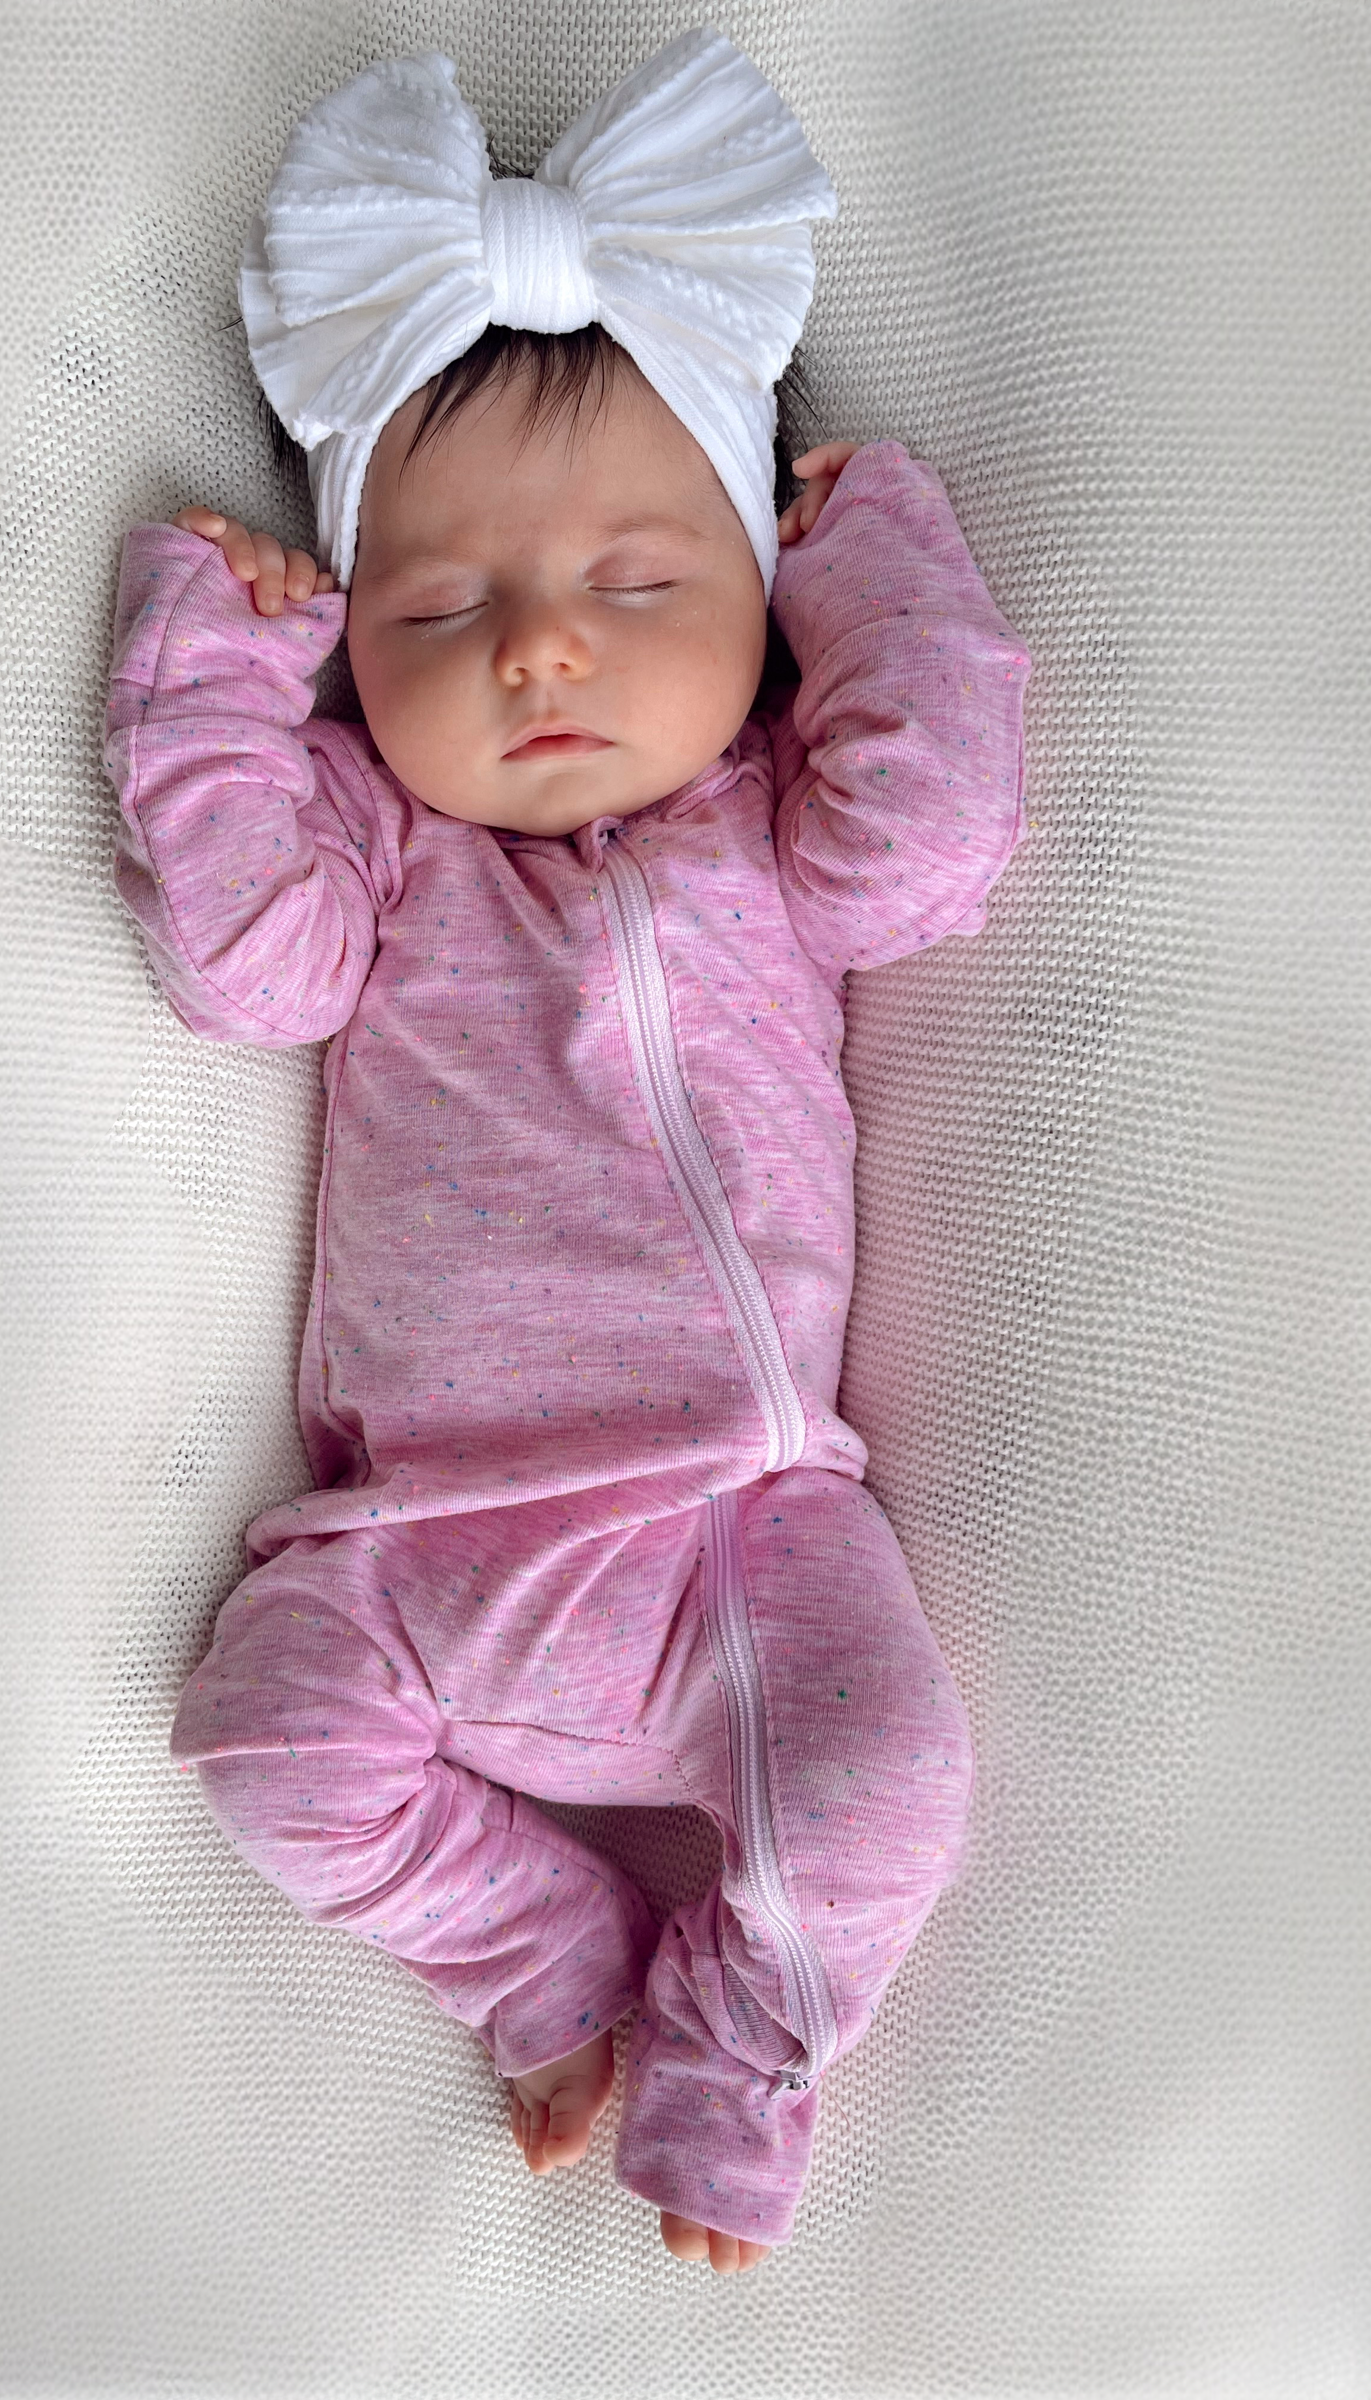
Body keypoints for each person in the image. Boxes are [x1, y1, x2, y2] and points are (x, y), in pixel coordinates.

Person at [103, 27, 1031, 2272]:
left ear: (754, 602)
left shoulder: (772, 842)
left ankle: (738, 2046)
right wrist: (218, 671)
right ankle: (545, 1972)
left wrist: (872, 572)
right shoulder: (381, 855)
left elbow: (934, 828)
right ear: (361, 638)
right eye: (438, 610)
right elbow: (238, 955)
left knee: (892, 1786)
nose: (539, 650)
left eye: (642, 583)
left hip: (742, 1526)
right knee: (259, 1742)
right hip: (421, 1540)